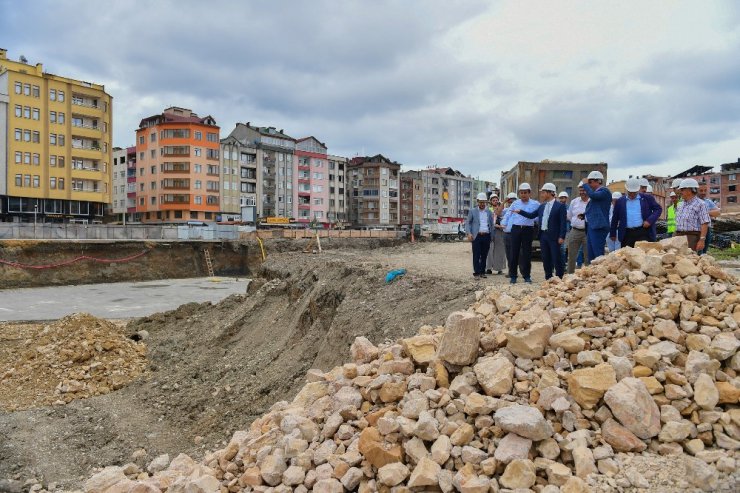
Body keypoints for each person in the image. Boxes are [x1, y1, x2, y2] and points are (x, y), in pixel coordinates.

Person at [513, 183, 567, 279]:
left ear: (550, 193)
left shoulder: (560, 206)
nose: (541, 195)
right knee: (545, 258)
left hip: (554, 237)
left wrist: (562, 236)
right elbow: (532, 216)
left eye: (543, 192)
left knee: (556, 258)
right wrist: (520, 211)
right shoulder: (542, 206)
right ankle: (548, 277)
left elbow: (563, 222)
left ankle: (559, 277)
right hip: (543, 236)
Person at [610, 178, 663, 248]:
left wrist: (649, 221)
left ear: (638, 190)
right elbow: (615, 218)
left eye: (634, 192)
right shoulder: (620, 201)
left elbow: (658, 209)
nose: (632, 194)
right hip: (626, 234)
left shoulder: (647, 198)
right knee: (627, 257)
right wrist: (612, 233)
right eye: (630, 192)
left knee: (643, 255)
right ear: (626, 189)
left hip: (643, 232)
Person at [507, 183, 540, 284]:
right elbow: (508, 215)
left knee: (527, 253)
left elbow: (538, 218)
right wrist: (506, 227)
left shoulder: (535, 204)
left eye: (525, 193)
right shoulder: (515, 203)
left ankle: (527, 276)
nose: (523, 195)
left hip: (528, 230)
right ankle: (513, 276)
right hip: (516, 229)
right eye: (521, 193)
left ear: (529, 193)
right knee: (514, 253)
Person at [581, 171, 611, 261]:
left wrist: (585, 184)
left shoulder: (604, 191)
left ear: (598, 181)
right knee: (591, 254)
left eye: (590, 182)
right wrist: (584, 216)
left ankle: (600, 272)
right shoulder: (597, 193)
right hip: (592, 226)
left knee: (597, 254)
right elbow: (595, 208)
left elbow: (593, 196)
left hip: (598, 226)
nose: (589, 184)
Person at [675, 178, 710, 252]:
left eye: (682, 190)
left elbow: (705, 223)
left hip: (692, 237)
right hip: (677, 236)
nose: (680, 192)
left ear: (689, 190)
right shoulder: (680, 204)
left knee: (689, 260)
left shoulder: (701, 204)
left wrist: (702, 240)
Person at [466, 192, 495, 278]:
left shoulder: (489, 212)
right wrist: (469, 233)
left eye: (484, 202)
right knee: (476, 255)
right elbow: (468, 223)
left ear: (486, 202)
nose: (482, 204)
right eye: (480, 202)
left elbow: (491, 224)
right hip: (477, 236)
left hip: (486, 236)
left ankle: (482, 272)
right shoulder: (472, 211)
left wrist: (492, 236)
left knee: (484, 255)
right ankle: (477, 272)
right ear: (477, 201)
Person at [566, 183, 589, 274]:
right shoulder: (574, 202)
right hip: (575, 231)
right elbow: (570, 216)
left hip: (587, 232)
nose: (582, 192)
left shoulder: (592, 202)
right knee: (571, 256)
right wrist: (577, 222)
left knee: (588, 256)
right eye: (580, 190)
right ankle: (569, 275)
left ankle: (588, 277)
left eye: (584, 190)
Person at [485, 195, 506, 274]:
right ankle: (488, 268)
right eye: (493, 200)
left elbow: (505, 218)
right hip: (490, 231)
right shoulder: (487, 210)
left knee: (500, 250)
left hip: (499, 232)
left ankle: (499, 269)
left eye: (496, 200)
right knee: (489, 249)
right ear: (491, 201)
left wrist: (501, 226)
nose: (495, 201)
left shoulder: (502, 209)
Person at [698, 184, 721, 254]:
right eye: (701, 190)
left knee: (704, 250)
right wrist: (710, 213)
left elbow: (718, 212)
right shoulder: (694, 201)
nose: (703, 192)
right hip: (697, 229)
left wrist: (705, 213)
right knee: (699, 251)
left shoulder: (708, 201)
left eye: (705, 190)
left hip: (707, 228)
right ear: (696, 190)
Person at [501, 192, 517, 269]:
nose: (511, 203)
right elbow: (498, 212)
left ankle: (515, 270)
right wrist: (504, 202)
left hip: (515, 234)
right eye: (510, 201)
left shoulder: (519, 210)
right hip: (506, 234)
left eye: (513, 201)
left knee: (515, 253)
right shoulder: (506, 210)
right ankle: (511, 270)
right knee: (508, 253)